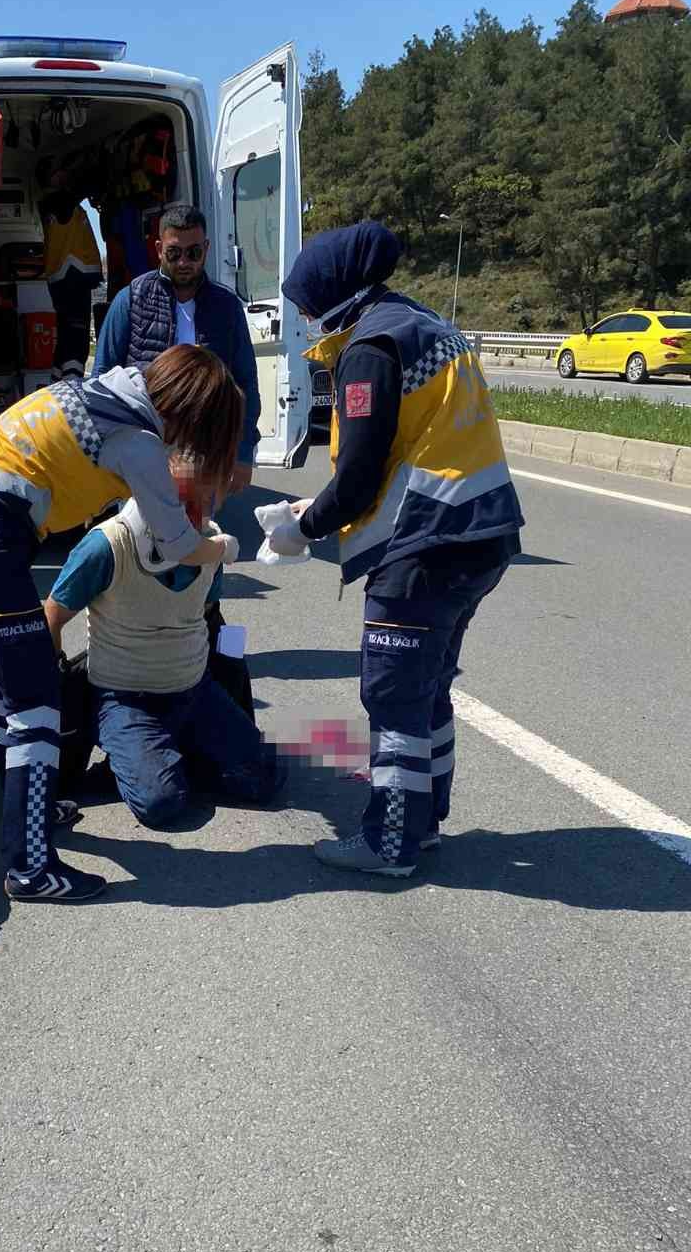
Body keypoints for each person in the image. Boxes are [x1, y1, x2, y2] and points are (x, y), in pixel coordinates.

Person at [0, 345, 243, 904]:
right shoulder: (139, 441)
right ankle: (29, 868)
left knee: (4, 691)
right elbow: (180, 545)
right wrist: (226, 547)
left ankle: (28, 812)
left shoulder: (108, 391)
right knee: (35, 703)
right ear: (195, 415)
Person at [274, 220, 525, 877]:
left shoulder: (369, 347)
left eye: (304, 300)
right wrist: (318, 508)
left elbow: (358, 477)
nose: (301, 314)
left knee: (391, 699)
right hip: (482, 533)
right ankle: (424, 821)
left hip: (426, 547)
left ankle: (389, 843)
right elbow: (411, 446)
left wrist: (302, 529)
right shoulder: (420, 323)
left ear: (332, 291)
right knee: (427, 687)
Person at [44, 490, 281, 827]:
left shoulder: (212, 540)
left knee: (265, 778)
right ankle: (142, 756)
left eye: (204, 501)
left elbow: (209, 615)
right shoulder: (107, 544)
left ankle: (164, 753)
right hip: (124, 697)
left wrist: (232, 676)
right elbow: (51, 617)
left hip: (194, 689)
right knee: (161, 803)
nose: (194, 513)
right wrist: (59, 692)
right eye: (181, 502)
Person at [93, 202, 260, 493]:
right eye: (174, 253)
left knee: (195, 532)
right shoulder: (131, 299)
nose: (184, 262)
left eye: (193, 252)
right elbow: (102, 378)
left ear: (206, 249)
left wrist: (243, 454)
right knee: (136, 534)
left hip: (205, 450)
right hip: (141, 447)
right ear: (159, 249)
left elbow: (245, 385)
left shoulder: (227, 307)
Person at [36, 156, 103, 379]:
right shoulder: (58, 201)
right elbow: (81, 187)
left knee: (66, 330)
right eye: (59, 172)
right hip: (71, 275)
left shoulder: (50, 202)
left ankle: (59, 379)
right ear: (51, 179)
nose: (66, 175)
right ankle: (73, 381)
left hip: (64, 275)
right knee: (77, 331)